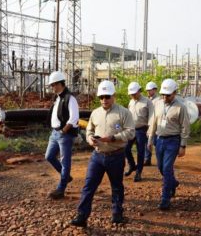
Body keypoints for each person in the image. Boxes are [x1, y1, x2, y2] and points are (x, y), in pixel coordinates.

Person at [70, 80, 135, 227]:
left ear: (114, 96)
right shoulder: (95, 113)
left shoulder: (124, 113)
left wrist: (114, 138)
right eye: (101, 97)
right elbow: (89, 130)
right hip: (97, 156)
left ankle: (117, 214)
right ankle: (82, 215)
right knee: (89, 186)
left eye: (107, 96)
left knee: (117, 186)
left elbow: (131, 132)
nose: (104, 100)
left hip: (116, 155)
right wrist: (90, 139)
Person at [148, 78, 190, 210]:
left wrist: (183, 145)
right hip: (159, 140)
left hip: (173, 141)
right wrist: (150, 139)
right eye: (163, 94)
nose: (165, 97)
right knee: (161, 167)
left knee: (167, 168)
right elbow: (153, 122)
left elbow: (185, 127)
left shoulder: (180, 107)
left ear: (175, 93)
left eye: (168, 95)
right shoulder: (158, 104)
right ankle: (173, 183)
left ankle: (165, 199)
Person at [44, 71, 79, 199]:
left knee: (65, 162)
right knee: (49, 156)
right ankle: (66, 177)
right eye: (51, 85)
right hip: (55, 133)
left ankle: (61, 189)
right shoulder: (57, 98)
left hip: (64, 134)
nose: (52, 87)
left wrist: (64, 131)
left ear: (60, 84)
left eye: (53, 85)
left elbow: (74, 118)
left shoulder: (70, 98)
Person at [125, 82, 154, 182]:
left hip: (142, 130)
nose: (132, 95)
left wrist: (150, 133)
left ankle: (138, 173)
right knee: (125, 148)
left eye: (134, 93)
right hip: (131, 129)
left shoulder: (147, 102)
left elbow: (151, 118)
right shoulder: (131, 102)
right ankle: (132, 165)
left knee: (140, 152)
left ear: (139, 91)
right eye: (131, 94)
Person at [144, 81, 159, 166]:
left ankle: (160, 159)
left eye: (150, 90)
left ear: (155, 90)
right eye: (147, 90)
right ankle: (147, 159)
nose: (148, 92)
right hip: (148, 124)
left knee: (157, 142)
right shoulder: (146, 100)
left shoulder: (159, 100)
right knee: (147, 142)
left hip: (156, 124)